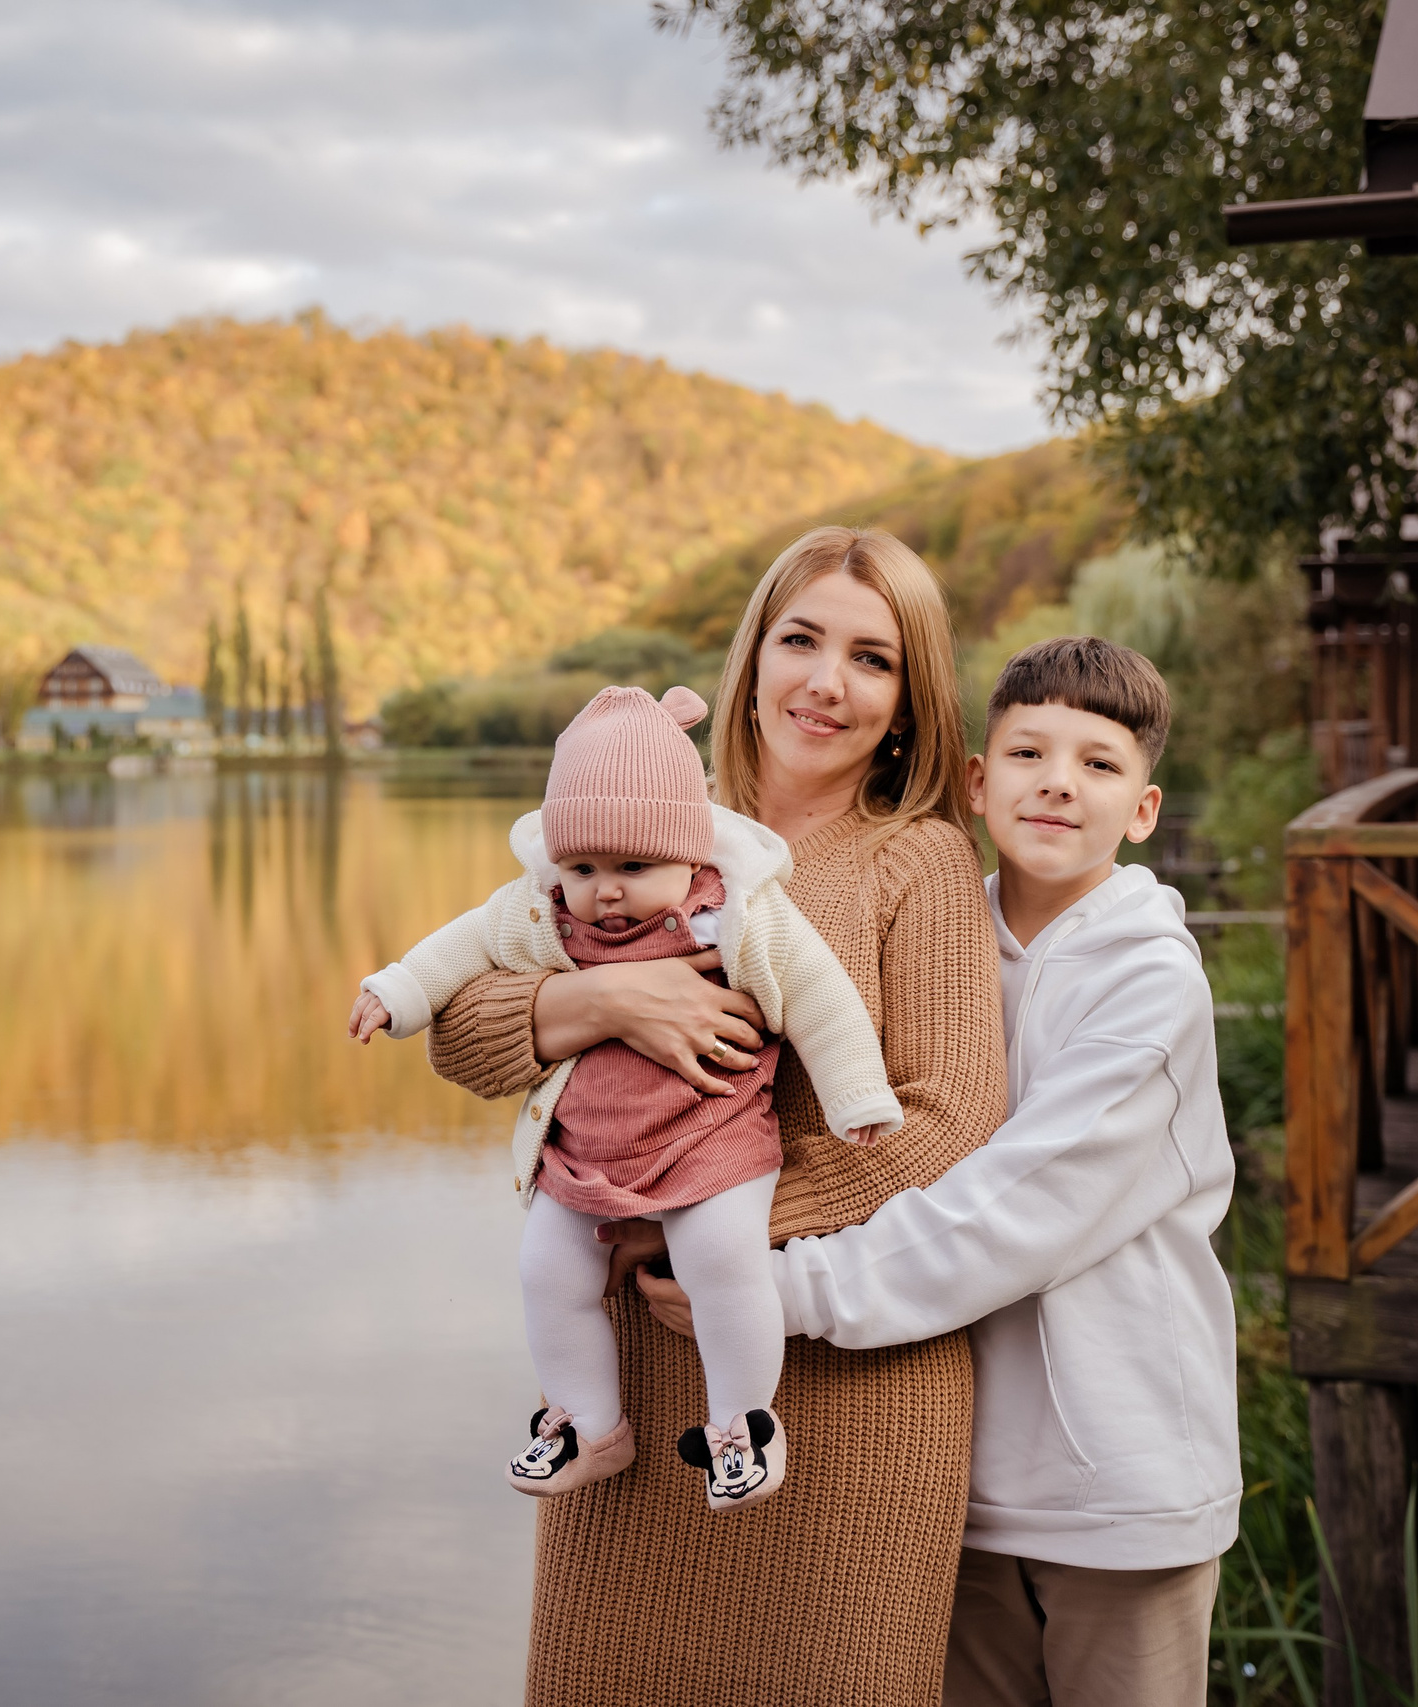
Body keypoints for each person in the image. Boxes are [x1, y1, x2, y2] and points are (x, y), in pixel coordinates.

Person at [425, 528, 1009, 1707]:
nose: (825, 682)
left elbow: (945, 1124)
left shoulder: (919, 861)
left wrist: (690, 1216)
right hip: (638, 1389)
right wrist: (599, 1000)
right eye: (800, 640)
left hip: (844, 1394)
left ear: (909, 703)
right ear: (751, 659)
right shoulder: (643, 820)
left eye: (872, 659)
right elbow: (459, 1031)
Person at [638, 635, 1241, 1707]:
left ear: (1143, 810)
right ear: (974, 782)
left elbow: (1021, 1207)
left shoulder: (1150, 984)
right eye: (1028, 753)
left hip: (1120, 1482)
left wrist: (772, 1290)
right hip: (950, 1481)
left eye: (1099, 764)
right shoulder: (938, 931)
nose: (1059, 783)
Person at [347, 681, 903, 1512]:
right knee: (547, 1271)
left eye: (633, 868)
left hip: (712, 1143)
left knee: (724, 1260)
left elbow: (821, 995)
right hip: (586, 1157)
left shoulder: (732, 915)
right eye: (583, 868)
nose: (605, 891)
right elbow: (459, 948)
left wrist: (855, 1093)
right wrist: (396, 992)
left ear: (689, 853)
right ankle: (589, 1422)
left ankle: (742, 1424)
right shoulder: (539, 914)